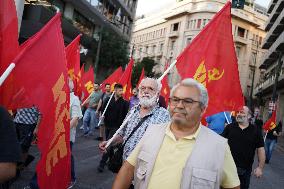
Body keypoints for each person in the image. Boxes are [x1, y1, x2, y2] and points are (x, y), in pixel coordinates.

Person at [112, 78, 240, 189]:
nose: (179, 105)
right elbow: (128, 169)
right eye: (175, 100)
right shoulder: (152, 132)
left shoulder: (219, 146)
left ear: (203, 109)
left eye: (188, 101)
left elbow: (232, 186)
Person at [99, 78, 171, 172]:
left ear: (157, 93)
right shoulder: (132, 111)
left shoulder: (164, 115)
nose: (145, 91)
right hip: (125, 166)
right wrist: (109, 142)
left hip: (145, 171)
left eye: (150, 88)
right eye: (142, 88)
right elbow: (122, 134)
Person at [222, 106, 265, 189]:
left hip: (244, 171)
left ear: (249, 116)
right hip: (227, 168)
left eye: (242, 112)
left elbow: (261, 150)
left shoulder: (255, 131)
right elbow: (220, 142)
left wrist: (260, 167)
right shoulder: (229, 127)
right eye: (238, 112)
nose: (238, 114)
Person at [97, 84, 129, 172]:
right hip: (107, 125)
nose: (121, 92)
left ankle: (102, 164)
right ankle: (112, 160)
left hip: (117, 127)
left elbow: (126, 116)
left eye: (122, 90)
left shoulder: (125, 103)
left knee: (108, 144)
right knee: (110, 144)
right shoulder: (108, 100)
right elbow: (103, 110)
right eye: (119, 90)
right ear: (115, 90)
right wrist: (101, 116)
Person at [0, 106, 21, 188]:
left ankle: (21, 167)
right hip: (18, 121)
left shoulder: (2, 115)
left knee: (24, 145)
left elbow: (8, 169)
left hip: (27, 123)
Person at [68, 78, 83, 189]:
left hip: (66, 136)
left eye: (68, 81)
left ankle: (72, 178)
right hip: (53, 136)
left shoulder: (74, 99)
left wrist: (62, 132)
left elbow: (75, 118)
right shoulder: (57, 95)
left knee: (68, 156)